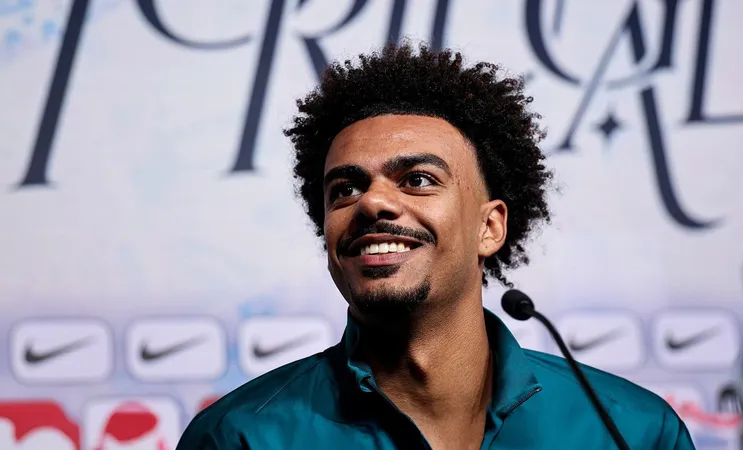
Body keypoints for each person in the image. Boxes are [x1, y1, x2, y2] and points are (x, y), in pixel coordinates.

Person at [177, 42, 694, 449]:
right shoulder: (239, 437)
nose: (372, 202)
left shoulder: (631, 431)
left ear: (489, 228)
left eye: (418, 180)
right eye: (345, 189)